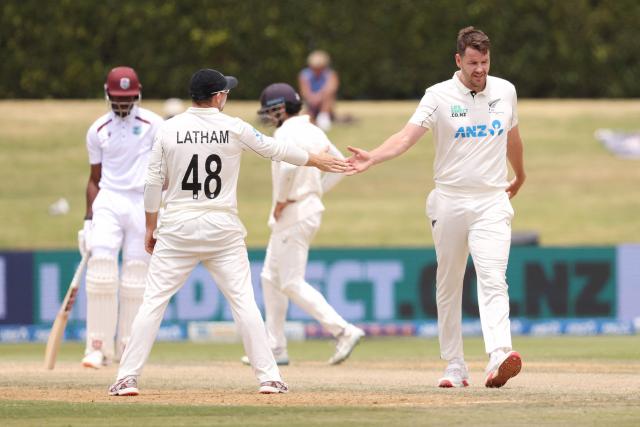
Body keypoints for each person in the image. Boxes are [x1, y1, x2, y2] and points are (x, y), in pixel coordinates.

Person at [108, 69, 350, 396]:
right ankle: (269, 378)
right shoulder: (234, 127)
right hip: (221, 227)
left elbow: (152, 183)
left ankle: (127, 377)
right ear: (218, 96)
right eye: (226, 92)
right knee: (244, 303)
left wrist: (150, 226)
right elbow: (275, 150)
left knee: (152, 302)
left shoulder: (168, 129)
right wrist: (315, 160)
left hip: (177, 226)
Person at [346, 27, 525, 389]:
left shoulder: (505, 91)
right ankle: (455, 366)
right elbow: (406, 137)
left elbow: (513, 138)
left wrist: (519, 175)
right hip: (449, 199)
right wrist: (374, 157)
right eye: (473, 63)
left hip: (492, 199)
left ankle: (499, 355)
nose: (480, 70)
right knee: (448, 282)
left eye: (485, 62)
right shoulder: (438, 96)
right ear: (458, 60)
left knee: (493, 277)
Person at [239, 83, 364, 367]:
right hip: (305, 208)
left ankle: (343, 330)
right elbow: (341, 166)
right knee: (270, 278)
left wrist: (283, 200)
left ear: (281, 109)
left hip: (294, 211)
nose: (269, 118)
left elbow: (288, 167)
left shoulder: (286, 132)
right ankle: (275, 346)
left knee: (290, 281)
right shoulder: (313, 129)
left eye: (271, 112)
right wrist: (316, 191)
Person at [78, 66, 163, 369]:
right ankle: (97, 346)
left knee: (136, 275)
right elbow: (93, 178)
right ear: (107, 94)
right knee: (101, 269)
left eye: (128, 98)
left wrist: (161, 208)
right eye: (118, 98)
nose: (123, 104)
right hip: (109, 200)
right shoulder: (98, 129)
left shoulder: (155, 124)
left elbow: (165, 169)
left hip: (142, 201)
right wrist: (88, 220)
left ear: (138, 94)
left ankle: (128, 346)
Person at [298, 50, 339, 132]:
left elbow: (331, 89)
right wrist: (312, 98)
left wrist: (319, 97)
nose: (317, 70)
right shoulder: (304, 75)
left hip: (325, 103)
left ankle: (324, 117)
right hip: (311, 103)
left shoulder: (331, 74)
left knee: (328, 96)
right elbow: (304, 92)